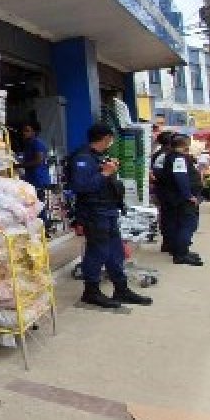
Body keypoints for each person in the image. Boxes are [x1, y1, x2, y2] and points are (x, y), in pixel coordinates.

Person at [65, 123, 152, 309]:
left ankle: (121, 288)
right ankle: (91, 291)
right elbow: (80, 187)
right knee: (97, 252)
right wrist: (105, 173)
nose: (111, 142)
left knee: (115, 252)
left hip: (109, 210)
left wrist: (109, 171)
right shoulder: (82, 158)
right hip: (94, 213)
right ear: (105, 138)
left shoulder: (98, 156)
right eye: (110, 139)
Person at [158, 133, 204, 266]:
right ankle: (181, 254)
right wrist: (188, 196)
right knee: (188, 225)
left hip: (175, 198)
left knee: (179, 224)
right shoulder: (178, 159)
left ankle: (181, 251)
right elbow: (181, 178)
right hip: (182, 199)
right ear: (184, 145)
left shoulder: (171, 157)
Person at [17, 121, 52, 224]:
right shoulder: (28, 144)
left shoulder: (37, 143)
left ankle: (44, 228)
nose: (24, 133)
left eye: (27, 130)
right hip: (32, 178)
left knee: (38, 204)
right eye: (23, 131)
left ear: (34, 132)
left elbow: (38, 160)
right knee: (32, 204)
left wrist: (19, 166)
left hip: (38, 178)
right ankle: (38, 227)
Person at [149, 130, 175, 252]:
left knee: (166, 216)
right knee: (168, 217)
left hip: (163, 190)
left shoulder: (160, 153)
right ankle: (169, 243)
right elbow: (157, 174)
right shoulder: (164, 155)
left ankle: (168, 242)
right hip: (166, 191)